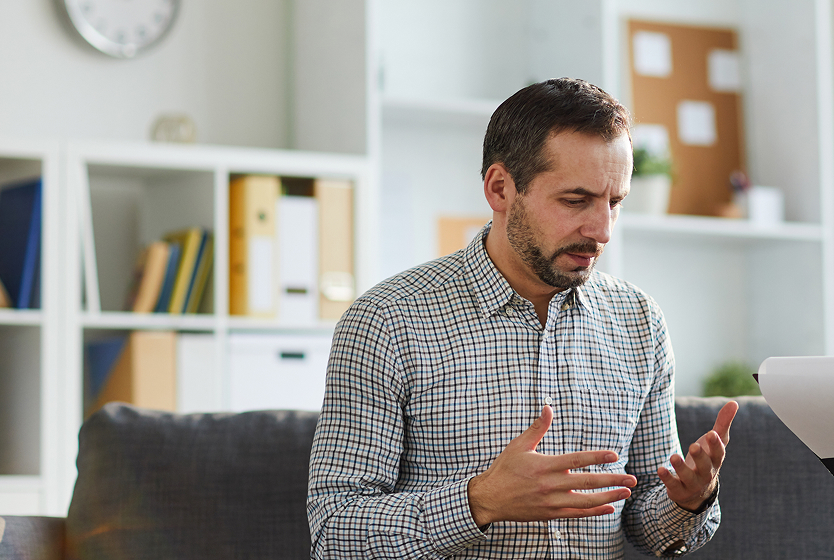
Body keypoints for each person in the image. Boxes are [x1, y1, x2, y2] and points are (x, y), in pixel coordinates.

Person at [307, 77, 739, 559]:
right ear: (500, 189)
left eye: (614, 202)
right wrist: (479, 502)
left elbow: (649, 526)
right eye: (575, 200)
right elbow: (334, 534)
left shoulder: (639, 321)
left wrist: (688, 499)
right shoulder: (386, 321)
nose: (602, 230)